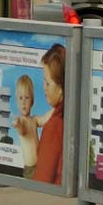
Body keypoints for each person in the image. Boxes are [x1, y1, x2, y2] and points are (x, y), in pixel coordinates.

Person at [31, 44, 65, 185]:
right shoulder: (74, 115)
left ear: (61, 88)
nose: (44, 87)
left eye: (48, 83)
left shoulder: (53, 127)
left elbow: (42, 181)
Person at [9, 73, 40, 176]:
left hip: (40, 165)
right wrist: (17, 124)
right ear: (17, 102)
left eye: (27, 97)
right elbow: (21, 131)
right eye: (20, 98)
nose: (23, 102)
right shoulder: (21, 121)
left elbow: (45, 119)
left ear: (32, 101)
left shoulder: (34, 119)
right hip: (30, 169)